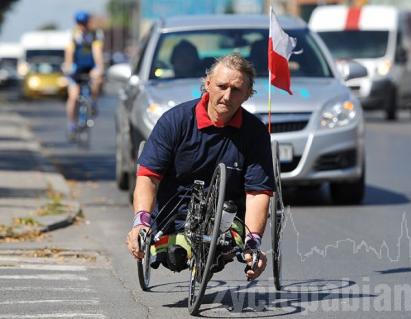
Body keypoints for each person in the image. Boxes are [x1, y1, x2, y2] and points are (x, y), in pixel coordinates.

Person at [126, 53, 274, 281]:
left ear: (247, 94)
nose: (227, 96)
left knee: (217, 253)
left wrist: (253, 241)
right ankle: (179, 249)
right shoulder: (175, 121)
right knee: (174, 257)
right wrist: (141, 220)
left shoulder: (255, 133)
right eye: (221, 86)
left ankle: (214, 255)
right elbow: (148, 176)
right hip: (173, 212)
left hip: (226, 216)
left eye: (236, 90)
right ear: (207, 85)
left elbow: (257, 193)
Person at [64, 10, 104, 140]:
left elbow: (97, 52)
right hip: (77, 68)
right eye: (79, 23)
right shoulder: (73, 35)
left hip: (90, 67)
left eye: (84, 23)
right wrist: (68, 68)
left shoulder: (94, 35)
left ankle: (93, 103)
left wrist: (99, 68)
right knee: (73, 97)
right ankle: (71, 124)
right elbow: (69, 53)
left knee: (97, 81)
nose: (82, 26)